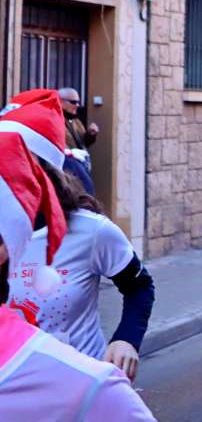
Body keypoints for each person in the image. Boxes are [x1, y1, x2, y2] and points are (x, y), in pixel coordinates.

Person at [0, 132, 156, 420]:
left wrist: (126, 339)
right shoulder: (5, 240)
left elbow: (139, 286)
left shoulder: (92, 231)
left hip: (81, 393)